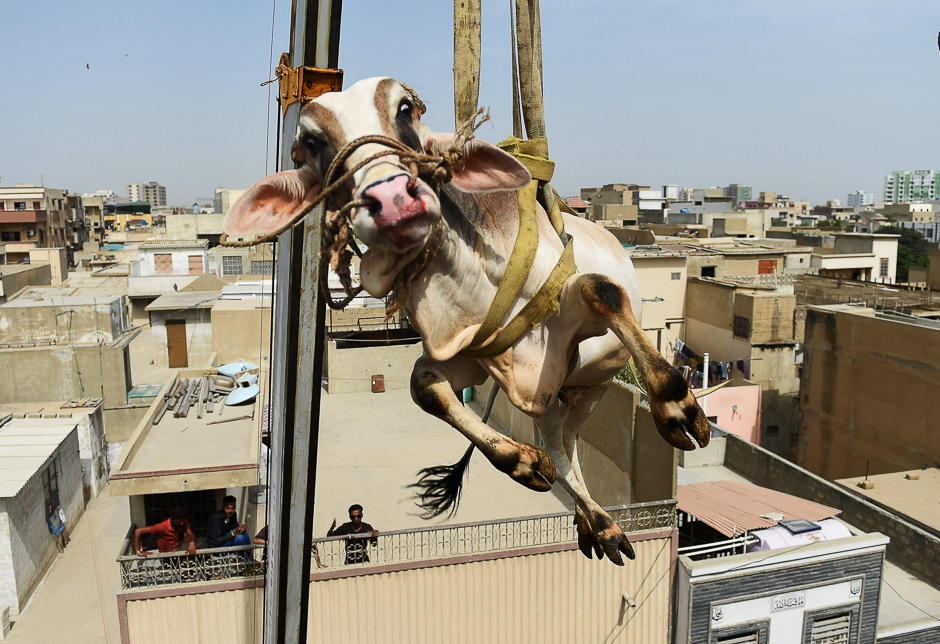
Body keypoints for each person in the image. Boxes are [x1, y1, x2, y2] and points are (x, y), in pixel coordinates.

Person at [255, 525, 326, 568]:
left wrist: (319, 563)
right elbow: (255, 540)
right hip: (271, 564)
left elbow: (312, 545)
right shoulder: (270, 528)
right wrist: (270, 543)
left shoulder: (298, 529)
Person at [207, 495, 251, 562]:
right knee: (239, 538)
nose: (230, 511)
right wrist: (234, 533)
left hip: (227, 542)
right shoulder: (215, 519)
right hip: (217, 547)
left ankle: (250, 559)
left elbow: (235, 527)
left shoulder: (233, 515)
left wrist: (241, 528)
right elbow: (217, 541)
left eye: (232, 508)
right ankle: (245, 562)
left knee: (244, 534)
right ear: (223, 507)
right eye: (228, 508)